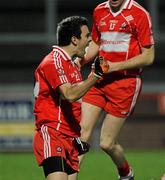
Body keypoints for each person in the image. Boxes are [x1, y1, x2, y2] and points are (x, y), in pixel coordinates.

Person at [79, 0, 155, 179]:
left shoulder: (139, 14)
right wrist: (77, 60)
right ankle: (68, 176)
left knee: (107, 143)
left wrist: (115, 66)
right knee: (82, 132)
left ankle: (126, 173)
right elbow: (97, 44)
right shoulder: (99, 10)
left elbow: (149, 57)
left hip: (125, 84)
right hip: (98, 79)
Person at [33, 16, 104, 180]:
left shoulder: (70, 64)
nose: (89, 41)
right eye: (86, 36)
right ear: (74, 39)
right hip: (53, 133)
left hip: (70, 138)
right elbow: (70, 94)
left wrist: (76, 135)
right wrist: (95, 76)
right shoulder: (53, 61)